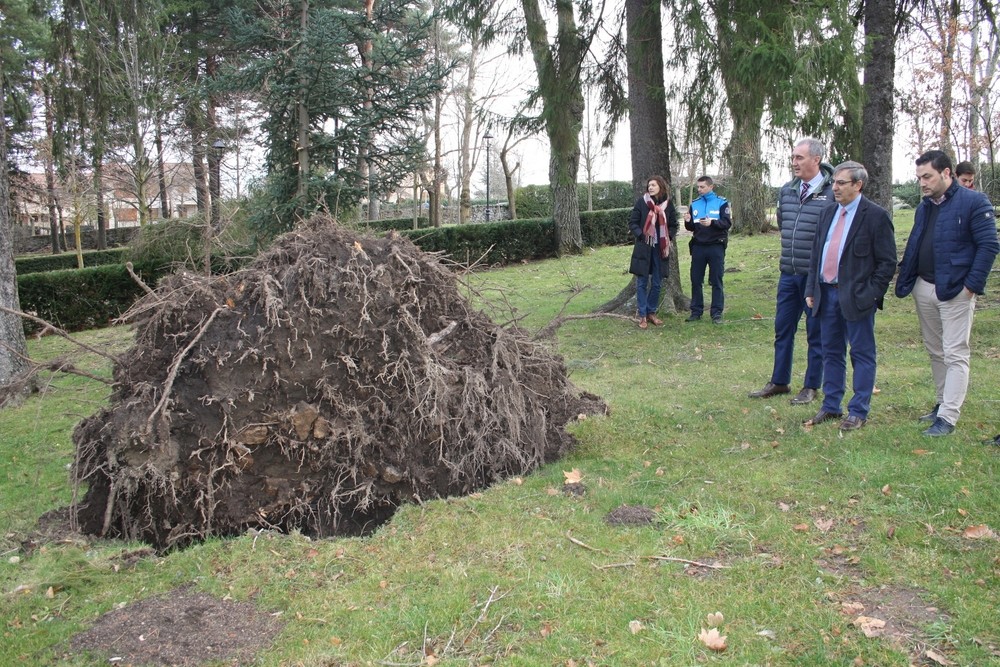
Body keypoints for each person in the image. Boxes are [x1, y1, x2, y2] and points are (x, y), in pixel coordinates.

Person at [895, 150, 999, 436]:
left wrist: (970, 288)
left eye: (927, 176)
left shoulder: (974, 202)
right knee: (935, 351)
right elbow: (917, 243)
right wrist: (910, 279)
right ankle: (941, 404)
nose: (922, 183)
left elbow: (989, 246)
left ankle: (949, 418)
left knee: (955, 353)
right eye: (919, 178)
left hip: (956, 291)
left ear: (946, 173)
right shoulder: (924, 207)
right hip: (924, 287)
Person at [803, 162, 897, 431]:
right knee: (831, 352)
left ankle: (858, 410)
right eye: (834, 182)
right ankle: (831, 405)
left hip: (856, 298)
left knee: (862, 353)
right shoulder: (828, 211)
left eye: (841, 183)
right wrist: (812, 288)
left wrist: (869, 295)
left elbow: (887, 263)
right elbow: (816, 254)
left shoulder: (875, 216)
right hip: (826, 295)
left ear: (858, 185)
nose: (835, 187)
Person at [749, 137, 833, 405]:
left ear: (816, 160)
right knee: (782, 328)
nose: (794, 162)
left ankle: (811, 385)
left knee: (815, 330)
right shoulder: (786, 191)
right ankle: (779, 381)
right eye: (793, 157)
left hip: (815, 277)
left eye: (800, 158)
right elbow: (785, 225)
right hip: (788, 272)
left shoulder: (831, 192)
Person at [628, 175, 679, 329]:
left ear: (661, 187)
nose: (650, 187)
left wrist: (667, 237)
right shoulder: (642, 203)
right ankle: (642, 315)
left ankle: (651, 312)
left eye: (654, 185)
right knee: (642, 282)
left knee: (657, 283)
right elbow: (633, 222)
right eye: (649, 185)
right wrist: (642, 236)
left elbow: (674, 224)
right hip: (644, 248)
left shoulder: (668, 205)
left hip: (660, 249)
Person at [683, 176, 732, 324]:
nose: (699, 190)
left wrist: (712, 222)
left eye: (702, 187)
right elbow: (692, 227)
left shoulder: (721, 203)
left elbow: (727, 223)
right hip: (698, 246)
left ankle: (716, 313)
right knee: (696, 280)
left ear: (711, 187)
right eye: (698, 187)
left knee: (716, 280)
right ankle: (696, 312)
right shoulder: (695, 204)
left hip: (716, 246)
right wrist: (687, 222)